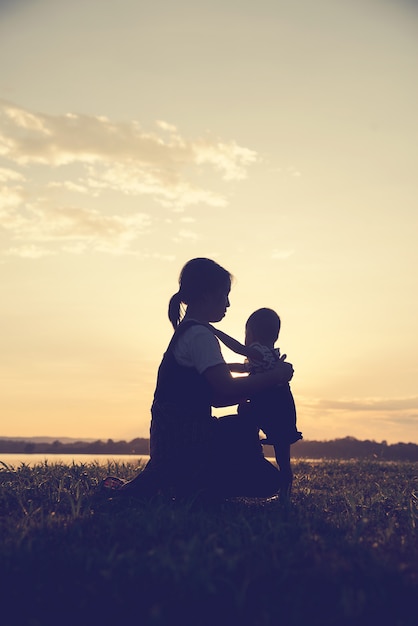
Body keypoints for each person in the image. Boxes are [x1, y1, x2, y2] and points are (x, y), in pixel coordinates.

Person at [103, 258, 294, 500]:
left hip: (174, 444)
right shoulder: (200, 336)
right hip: (185, 444)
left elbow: (215, 398)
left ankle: (189, 484)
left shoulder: (191, 332)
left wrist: (255, 387)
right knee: (265, 478)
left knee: (248, 434)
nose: (228, 303)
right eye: (225, 295)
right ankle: (194, 485)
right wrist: (274, 376)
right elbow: (225, 388)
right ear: (206, 295)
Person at [209, 308, 302, 499]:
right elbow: (243, 367)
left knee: (279, 452)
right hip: (281, 405)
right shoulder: (268, 355)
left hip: (271, 405)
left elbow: (239, 350)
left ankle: (282, 493)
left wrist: (216, 332)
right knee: (283, 456)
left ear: (251, 334)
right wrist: (222, 368)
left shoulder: (258, 351)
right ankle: (283, 494)